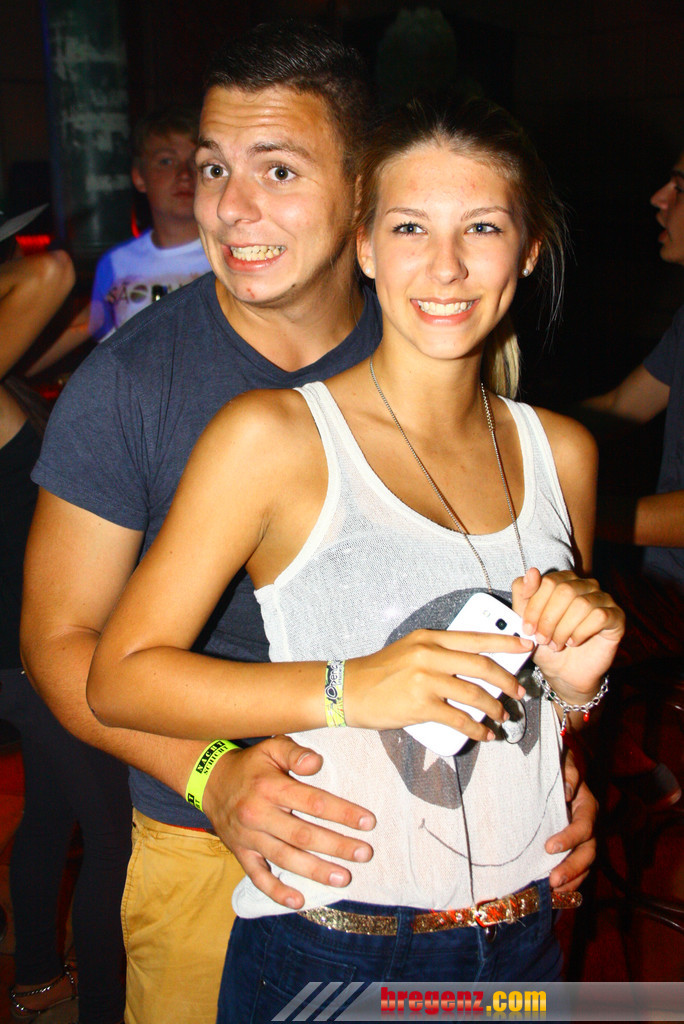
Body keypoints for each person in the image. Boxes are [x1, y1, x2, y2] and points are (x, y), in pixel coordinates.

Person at [22, 24, 596, 1024]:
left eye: (277, 170)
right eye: (214, 168)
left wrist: (550, 774)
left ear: (363, 194)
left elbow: (509, 620)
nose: (230, 207)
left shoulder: (438, 323)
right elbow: (61, 642)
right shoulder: (133, 383)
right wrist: (213, 774)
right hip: (215, 836)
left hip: (466, 877)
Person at [0, 213, 129, 1024]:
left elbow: (87, 320)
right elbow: (47, 276)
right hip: (24, 655)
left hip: (23, 647)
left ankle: (38, 978)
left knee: (51, 812)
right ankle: (106, 1007)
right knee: (116, 832)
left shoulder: (12, 374)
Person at [579, 150, 684, 808]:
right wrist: (505, 429)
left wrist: (569, 507)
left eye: (681, 185)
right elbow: (621, 407)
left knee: (537, 621)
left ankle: (608, 773)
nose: (658, 198)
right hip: (662, 580)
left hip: (676, 597)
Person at [26, 106, 210, 377]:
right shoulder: (117, 263)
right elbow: (90, 325)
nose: (184, 174)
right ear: (139, 177)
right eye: (166, 161)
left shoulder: (227, 254)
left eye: (195, 162)